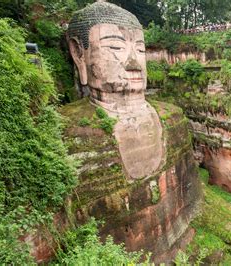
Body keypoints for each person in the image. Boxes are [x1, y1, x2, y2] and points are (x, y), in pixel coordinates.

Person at [67, 1, 165, 180]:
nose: (133, 63)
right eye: (115, 47)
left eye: (140, 49)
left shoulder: (171, 117)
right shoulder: (69, 135)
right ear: (79, 54)